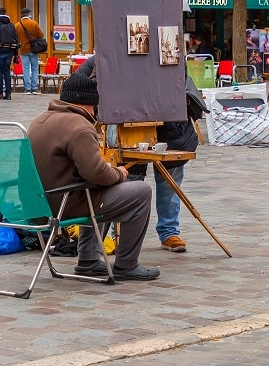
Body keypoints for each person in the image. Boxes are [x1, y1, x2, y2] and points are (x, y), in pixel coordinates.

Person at [25, 71, 160, 281]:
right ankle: (126, 264)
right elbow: (97, 173)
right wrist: (119, 173)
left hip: (35, 205)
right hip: (61, 205)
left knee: (96, 191)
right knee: (141, 192)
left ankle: (88, 260)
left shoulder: (39, 121)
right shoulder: (79, 127)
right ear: (90, 103)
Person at [154, 73, 207, 253]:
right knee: (130, 181)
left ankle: (169, 231)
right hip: (129, 117)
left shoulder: (169, 50)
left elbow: (179, 74)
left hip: (170, 123)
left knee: (170, 183)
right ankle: (121, 234)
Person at [14, 7, 46, 95]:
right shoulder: (34, 23)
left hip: (24, 50)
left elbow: (15, 38)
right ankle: (35, 88)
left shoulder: (17, 25)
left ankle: (27, 89)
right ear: (29, 14)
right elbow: (41, 35)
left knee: (26, 69)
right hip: (34, 49)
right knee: (35, 69)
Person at [0, 7, 18, 100]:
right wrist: (15, 54)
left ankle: (0, 93)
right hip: (9, 51)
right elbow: (15, 40)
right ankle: (8, 93)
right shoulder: (11, 25)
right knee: (7, 71)